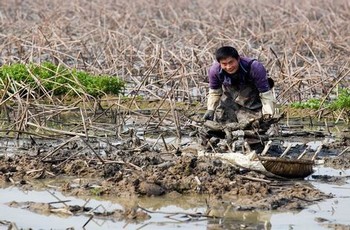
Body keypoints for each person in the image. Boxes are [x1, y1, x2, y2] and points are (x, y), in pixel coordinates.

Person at [203, 46, 276, 124]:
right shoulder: (214, 71)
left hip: (252, 98)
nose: (228, 67)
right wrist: (210, 109)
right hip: (230, 96)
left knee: (251, 123)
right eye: (224, 64)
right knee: (221, 120)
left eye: (231, 62)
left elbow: (265, 94)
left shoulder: (255, 67)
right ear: (219, 63)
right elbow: (215, 93)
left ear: (238, 59)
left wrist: (268, 114)